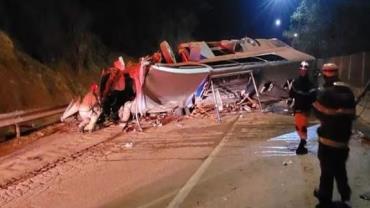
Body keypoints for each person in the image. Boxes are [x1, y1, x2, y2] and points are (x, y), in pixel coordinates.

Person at [312, 63, 356, 208]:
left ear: (325, 75)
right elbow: (351, 115)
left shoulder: (325, 92)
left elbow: (317, 113)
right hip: (343, 142)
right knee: (340, 167)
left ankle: (324, 199)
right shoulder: (349, 92)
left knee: (326, 172)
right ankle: (345, 193)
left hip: (327, 141)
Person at [289, 61, 316, 155]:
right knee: (300, 127)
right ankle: (302, 142)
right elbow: (291, 94)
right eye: (302, 69)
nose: (303, 70)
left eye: (305, 69)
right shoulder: (297, 83)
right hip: (300, 109)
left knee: (302, 127)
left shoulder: (307, 84)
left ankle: (302, 145)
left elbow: (313, 98)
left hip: (304, 110)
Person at [100, 57, 127, 123]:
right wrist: (104, 94)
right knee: (110, 103)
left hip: (113, 91)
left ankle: (111, 116)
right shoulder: (111, 74)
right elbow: (106, 85)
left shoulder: (118, 73)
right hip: (110, 92)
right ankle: (108, 116)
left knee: (113, 103)